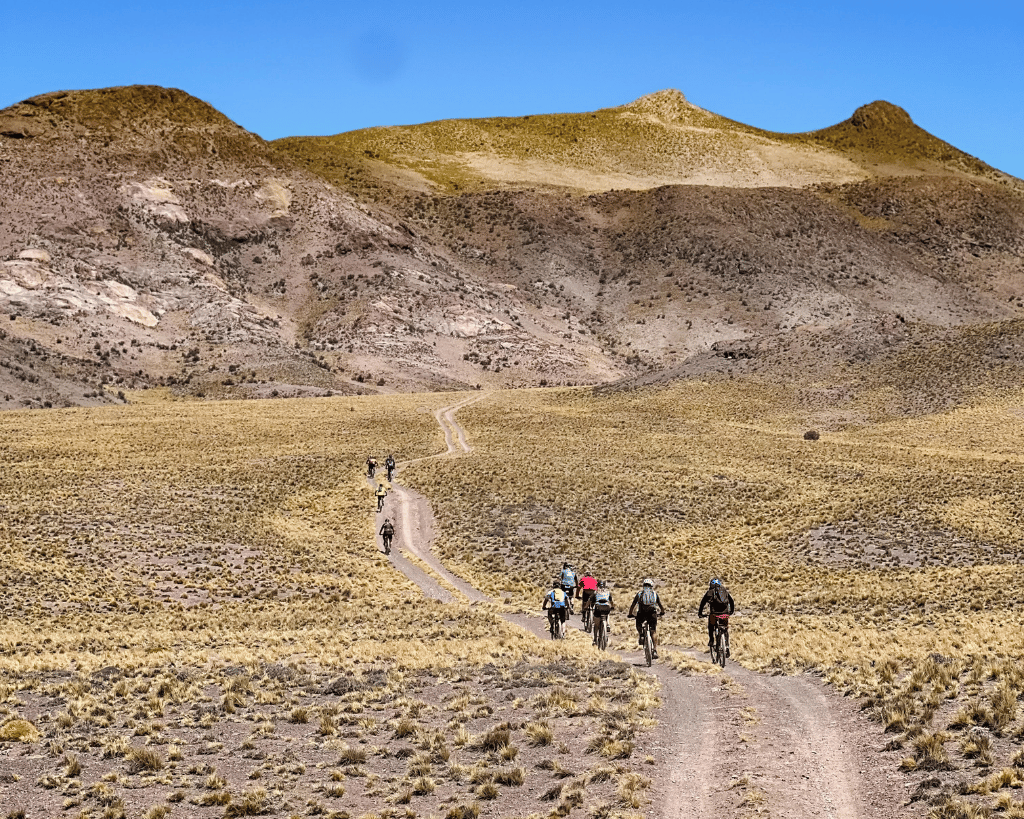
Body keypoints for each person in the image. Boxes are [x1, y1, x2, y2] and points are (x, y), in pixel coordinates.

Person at [627, 578, 666, 659]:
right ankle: (654, 650)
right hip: (652, 614)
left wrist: (630, 614)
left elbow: (633, 605)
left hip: (641, 613)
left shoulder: (639, 594)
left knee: (638, 624)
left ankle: (641, 634)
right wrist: (662, 612)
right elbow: (660, 604)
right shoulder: (654, 594)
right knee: (653, 632)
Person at [698, 578, 735, 657]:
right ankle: (727, 646)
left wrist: (700, 614)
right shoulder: (724, 591)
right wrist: (731, 611)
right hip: (725, 614)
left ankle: (711, 640)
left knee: (711, 626)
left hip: (714, 614)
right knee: (725, 629)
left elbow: (702, 603)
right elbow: (731, 601)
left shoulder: (709, 592)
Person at [592, 580, 615, 645]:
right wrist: (612, 607)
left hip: (598, 608)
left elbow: (590, 601)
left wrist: (586, 607)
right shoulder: (608, 592)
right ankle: (608, 624)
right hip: (606, 607)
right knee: (607, 613)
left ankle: (595, 639)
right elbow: (611, 601)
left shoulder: (595, 592)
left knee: (596, 625)